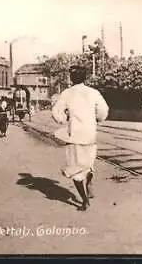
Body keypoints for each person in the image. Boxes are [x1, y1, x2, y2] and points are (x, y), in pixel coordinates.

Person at [52, 65, 109, 211]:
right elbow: (103, 111)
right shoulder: (93, 92)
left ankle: (84, 201)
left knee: (75, 168)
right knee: (88, 163)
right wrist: (95, 119)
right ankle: (89, 182)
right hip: (90, 134)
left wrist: (64, 119)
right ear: (85, 77)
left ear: (71, 78)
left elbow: (56, 112)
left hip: (75, 135)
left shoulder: (66, 93)